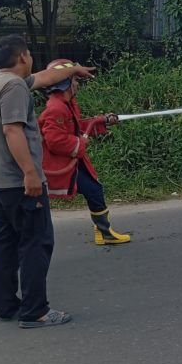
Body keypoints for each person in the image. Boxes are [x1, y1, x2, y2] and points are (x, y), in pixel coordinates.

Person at [0, 34, 93, 328]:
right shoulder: (15, 87)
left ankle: (6, 305)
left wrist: (74, 69)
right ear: (22, 57)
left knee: (5, 242)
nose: (31, 59)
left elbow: (44, 77)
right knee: (36, 242)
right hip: (19, 182)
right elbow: (12, 132)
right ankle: (35, 311)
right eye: (29, 54)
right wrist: (30, 173)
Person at [38, 59, 131, 246]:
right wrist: (80, 143)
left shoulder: (67, 104)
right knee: (27, 206)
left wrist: (102, 122)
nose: (77, 84)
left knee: (94, 190)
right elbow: (55, 141)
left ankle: (104, 232)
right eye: (74, 80)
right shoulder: (56, 108)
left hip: (71, 163)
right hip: (56, 165)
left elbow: (77, 127)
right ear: (65, 83)